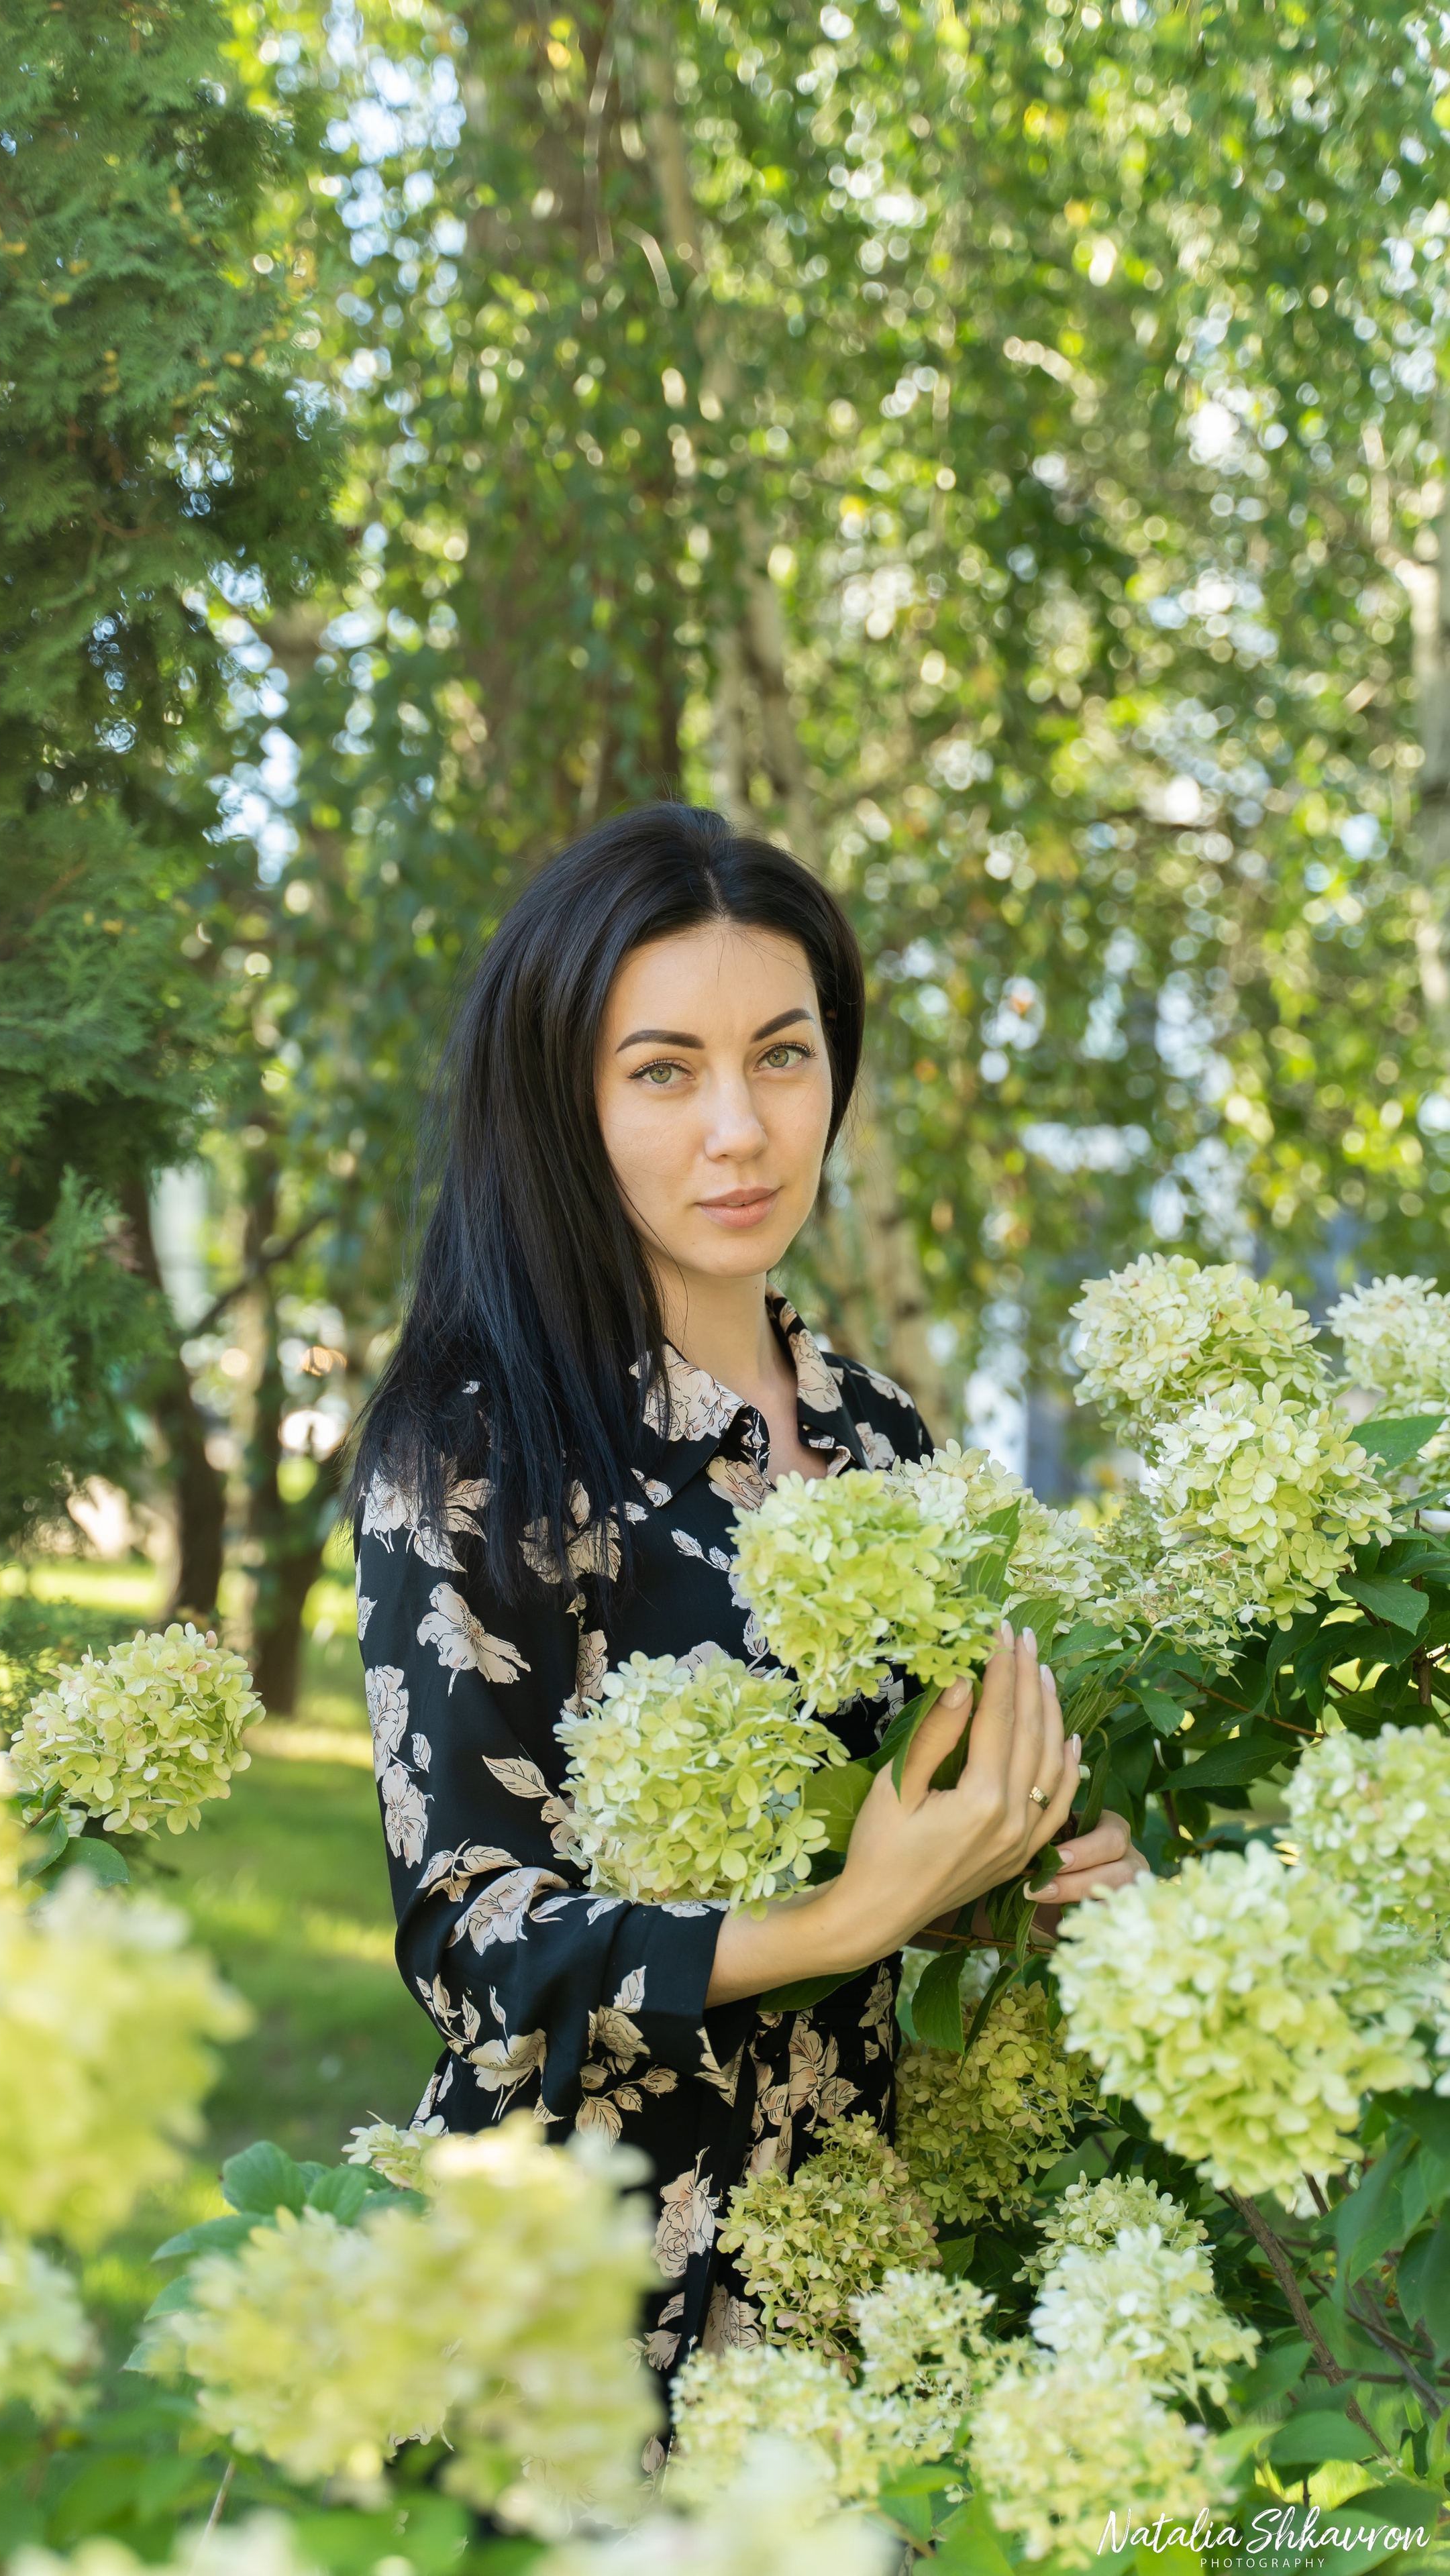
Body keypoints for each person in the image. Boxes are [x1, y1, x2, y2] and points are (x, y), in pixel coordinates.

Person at [350, 802, 1140, 2385]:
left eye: (781, 1055)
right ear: (562, 1101)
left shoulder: (880, 1429)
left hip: (845, 2273)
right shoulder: (477, 1447)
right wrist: (842, 1918)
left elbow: (890, 1808)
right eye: (663, 1071)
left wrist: (1015, 1866)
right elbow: (470, 1944)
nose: (741, 1130)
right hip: (567, 2302)